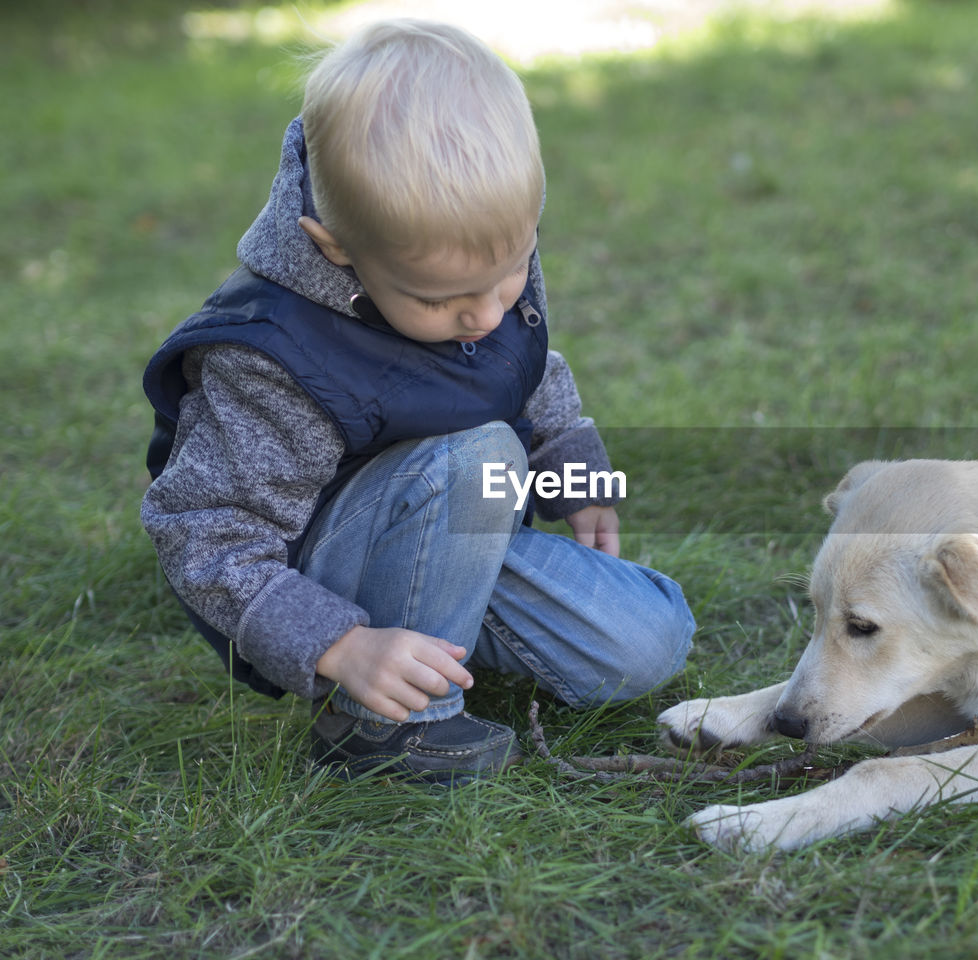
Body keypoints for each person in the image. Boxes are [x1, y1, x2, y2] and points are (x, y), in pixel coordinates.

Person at [140, 19, 694, 785]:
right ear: (337, 247)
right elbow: (206, 534)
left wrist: (574, 467)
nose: (485, 315)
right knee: (479, 457)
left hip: (452, 531)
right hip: (317, 571)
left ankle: (439, 636)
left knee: (650, 640)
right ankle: (382, 728)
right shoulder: (271, 358)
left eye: (509, 273)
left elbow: (523, 362)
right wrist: (339, 645)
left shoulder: (474, 257)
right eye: (443, 300)